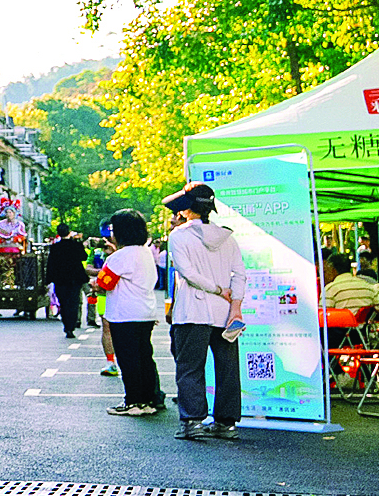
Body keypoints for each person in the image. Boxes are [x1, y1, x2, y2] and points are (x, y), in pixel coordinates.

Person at [164, 183, 245, 441]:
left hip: (192, 311)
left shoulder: (178, 236)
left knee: (189, 366)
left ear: (187, 210)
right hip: (225, 314)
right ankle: (226, 423)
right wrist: (235, 307)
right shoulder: (227, 237)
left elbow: (186, 273)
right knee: (227, 368)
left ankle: (192, 422)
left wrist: (216, 289)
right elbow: (240, 274)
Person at [99, 210, 166, 417]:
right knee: (145, 357)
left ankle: (134, 401)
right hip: (145, 312)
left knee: (128, 360)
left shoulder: (119, 257)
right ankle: (150, 399)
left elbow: (104, 283)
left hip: (124, 314)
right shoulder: (146, 252)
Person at [45, 227, 89, 339]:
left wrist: (48, 279)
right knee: (73, 303)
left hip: (60, 279)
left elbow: (50, 264)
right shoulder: (75, 245)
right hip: (75, 279)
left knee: (63, 303)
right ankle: (71, 326)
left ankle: (66, 325)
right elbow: (84, 257)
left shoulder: (55, 247)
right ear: (69, 232)